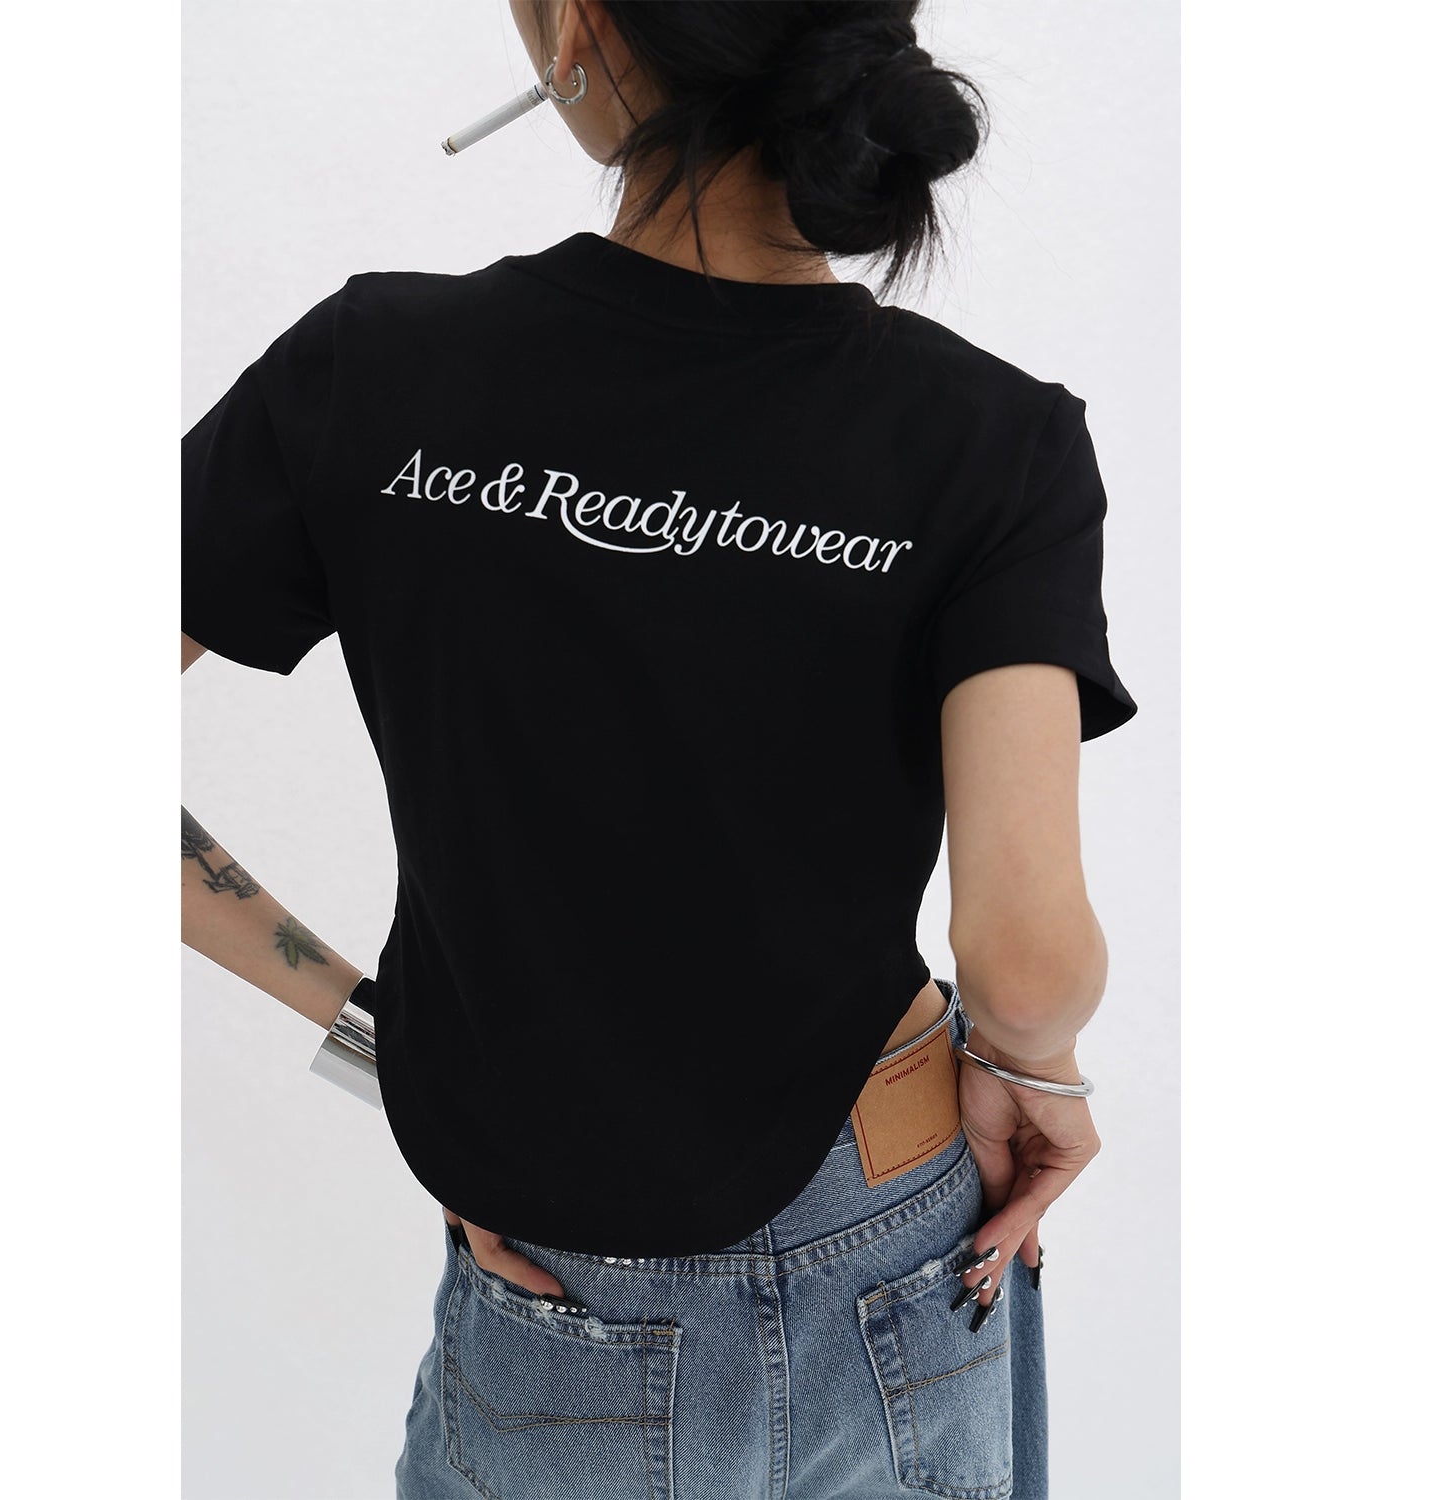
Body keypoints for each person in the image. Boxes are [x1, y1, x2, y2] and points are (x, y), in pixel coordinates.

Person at [181, 3, 1140, 1496]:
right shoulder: (995, 439)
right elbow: (1024, 963)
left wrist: (389, 1039)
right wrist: (1043, 1075)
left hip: (566, 1252)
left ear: (574, 29)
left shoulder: (373, 367)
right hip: (896, 1208)